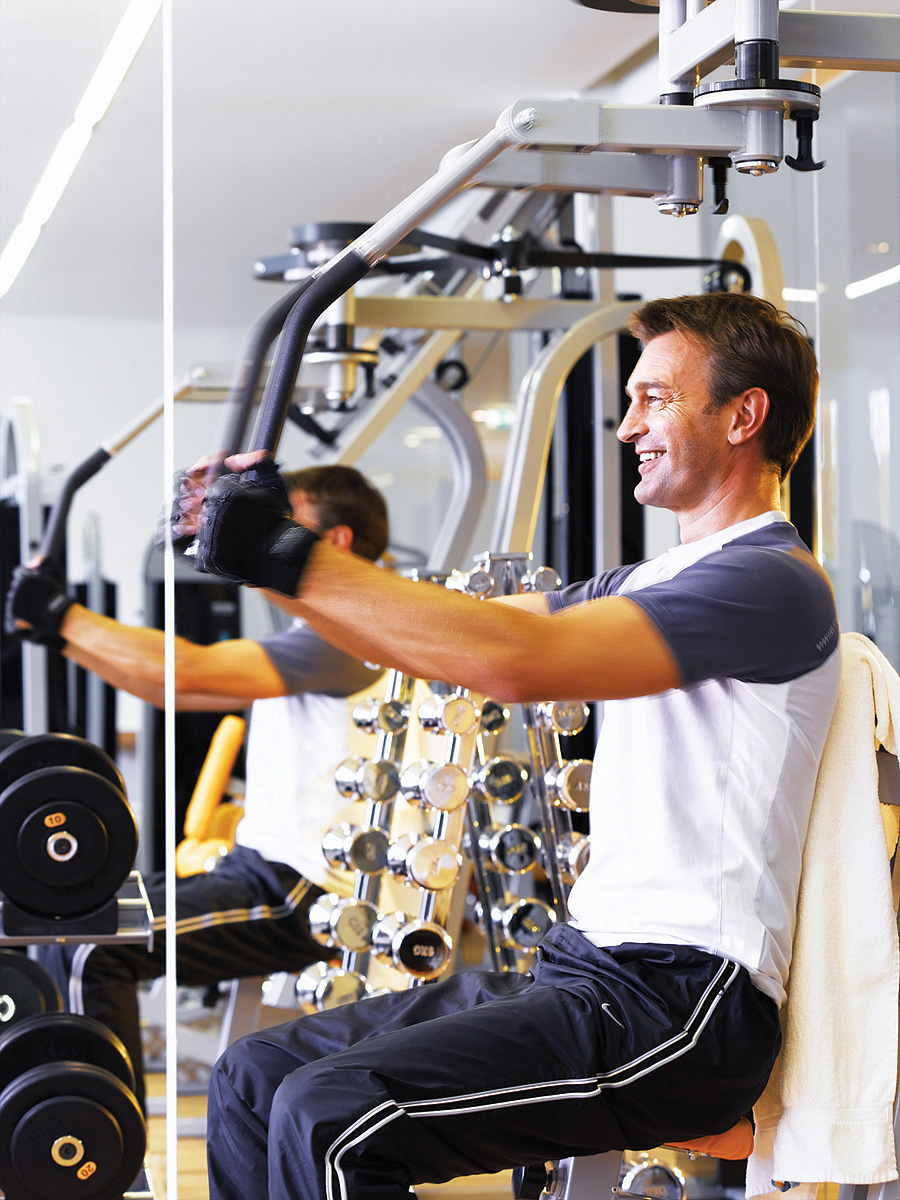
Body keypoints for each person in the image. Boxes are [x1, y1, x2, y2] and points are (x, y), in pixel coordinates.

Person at [184, 291, 842, 1200]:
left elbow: (514, 659)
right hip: (588, 970)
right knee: (255, 1077)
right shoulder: (652, 580)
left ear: (744, 415)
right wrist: (264, 560)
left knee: (330, 1115)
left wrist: (289, 556)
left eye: (654, 398)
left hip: (682, 1005)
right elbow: (439, 639)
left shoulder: (769, 580)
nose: (627, 427)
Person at [4, 463, 389, 1112]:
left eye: (283, 522)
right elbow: (171, 689)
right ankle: (46, 1114)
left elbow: (186, 673)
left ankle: (106, 1145)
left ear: (337, 541)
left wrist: (62, 615)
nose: (262, 535)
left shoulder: (344, 636)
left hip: (301, 892)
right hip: (255, 867)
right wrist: (59, 634)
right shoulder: (320, 633)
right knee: (62, 911)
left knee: (99, 947)